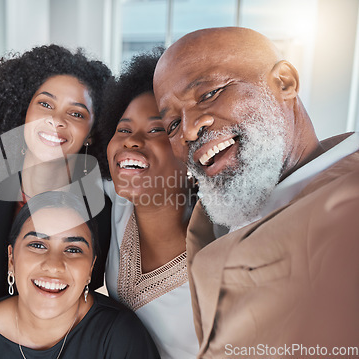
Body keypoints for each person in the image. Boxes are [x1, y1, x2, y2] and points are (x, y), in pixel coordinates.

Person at [153, 27, 359, 358]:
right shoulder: (211, 221)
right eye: (173, 125)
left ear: (284, 83)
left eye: (209, 94)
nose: (189, 130)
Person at [0, 44, 112, 308]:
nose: (55, 120)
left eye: (76, 113)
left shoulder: (100, 214)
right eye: (45, 104)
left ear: (93, 132)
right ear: (23, 111)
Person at [0, 191, 160, 358]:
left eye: (74, 249)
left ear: (91, 269)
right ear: (11, 259)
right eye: (37, 245)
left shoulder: (120, 335)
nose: (54, 265)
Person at [100, 50, 198, 358]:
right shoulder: (117, 200)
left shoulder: (222, 252)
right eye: (123, 129)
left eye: (157, 129)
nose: (131, 140)